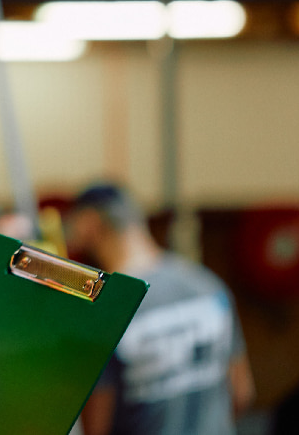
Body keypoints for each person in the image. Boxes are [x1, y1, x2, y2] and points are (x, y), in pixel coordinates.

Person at [66, 183, 255, 435]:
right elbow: (241, 393)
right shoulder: (208, 287)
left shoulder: (111, 311)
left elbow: (96, 427)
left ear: (88, 223)